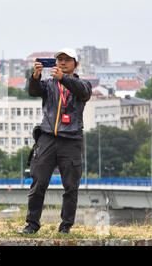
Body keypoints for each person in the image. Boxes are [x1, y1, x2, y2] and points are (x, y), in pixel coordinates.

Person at [19, 48, 92, 235]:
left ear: (76, 64)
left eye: (67, 60)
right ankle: (32, 224)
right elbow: (33, 91)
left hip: (72, 140)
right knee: (38, 183)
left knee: (70, 186)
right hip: (48, 138)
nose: (62, 63)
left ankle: (65, 226)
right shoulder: (49, 85)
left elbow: (82, 93)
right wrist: (35, 76)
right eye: (59, 59)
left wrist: (63, 79)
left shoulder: (83, 84)